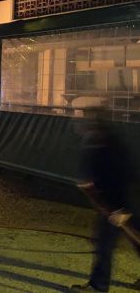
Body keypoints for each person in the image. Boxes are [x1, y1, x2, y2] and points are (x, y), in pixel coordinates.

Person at [70, 110, 140, 292]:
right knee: (115, 243)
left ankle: (98, 286)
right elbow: (89, 184)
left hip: (122, 202)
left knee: (105, 245)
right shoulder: (100, 143)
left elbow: (127, 175)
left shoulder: (108, 146)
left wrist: (121, 210)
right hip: (114, 204)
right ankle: (98, 285)